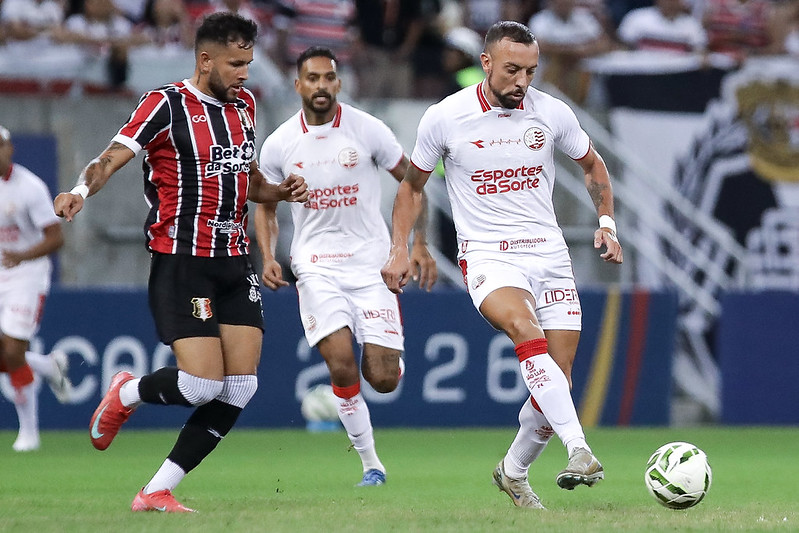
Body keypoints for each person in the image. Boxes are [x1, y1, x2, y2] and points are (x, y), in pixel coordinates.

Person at [53, 12, 308, 513]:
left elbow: (243, 176)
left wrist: (277, 191)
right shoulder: (165, 104)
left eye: (249, 63)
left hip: (235, 263)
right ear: (205, 58)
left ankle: (155, 490)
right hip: (182, 262)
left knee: (240, 387)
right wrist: (81, 189)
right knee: (199, 385)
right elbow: (109, 156)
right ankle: (126, 393)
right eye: (236, 64)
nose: (245, 73)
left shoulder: (246, 105)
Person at [381, 20, 623, 509]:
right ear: (486, 63)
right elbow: (411, 186)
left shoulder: (550, 112)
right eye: (513, 69)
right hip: (488, 254)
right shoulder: (445, 118)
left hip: (549, 254)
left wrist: (607, 222)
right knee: (524, 330)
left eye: (531, 71)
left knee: (557, 376)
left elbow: (593, 164)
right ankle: (580, 449)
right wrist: (399, 247)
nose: (522, 82)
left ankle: (513, 471)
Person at [254, 46, 436, 486]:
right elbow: (262, 204)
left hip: (371, 266)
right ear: (298, 85)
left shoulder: (367, 130)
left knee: (383, 379)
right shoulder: (279, 143)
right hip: (315, 266)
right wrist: (267, 255)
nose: (321, 86)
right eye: (312, 78)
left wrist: (416, 245)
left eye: (328, 78)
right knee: (339, 364)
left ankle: (391, 360)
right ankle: (372, 466)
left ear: (338, 83)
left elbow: (413, 183)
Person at [0, 124, 73, 452]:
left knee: (13, 352)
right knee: (6, 354)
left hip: (28, 274)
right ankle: (46, 365)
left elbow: (55, 238)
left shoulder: (29, 187)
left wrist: (21, 256)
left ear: (9, 148)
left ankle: (29, 432)